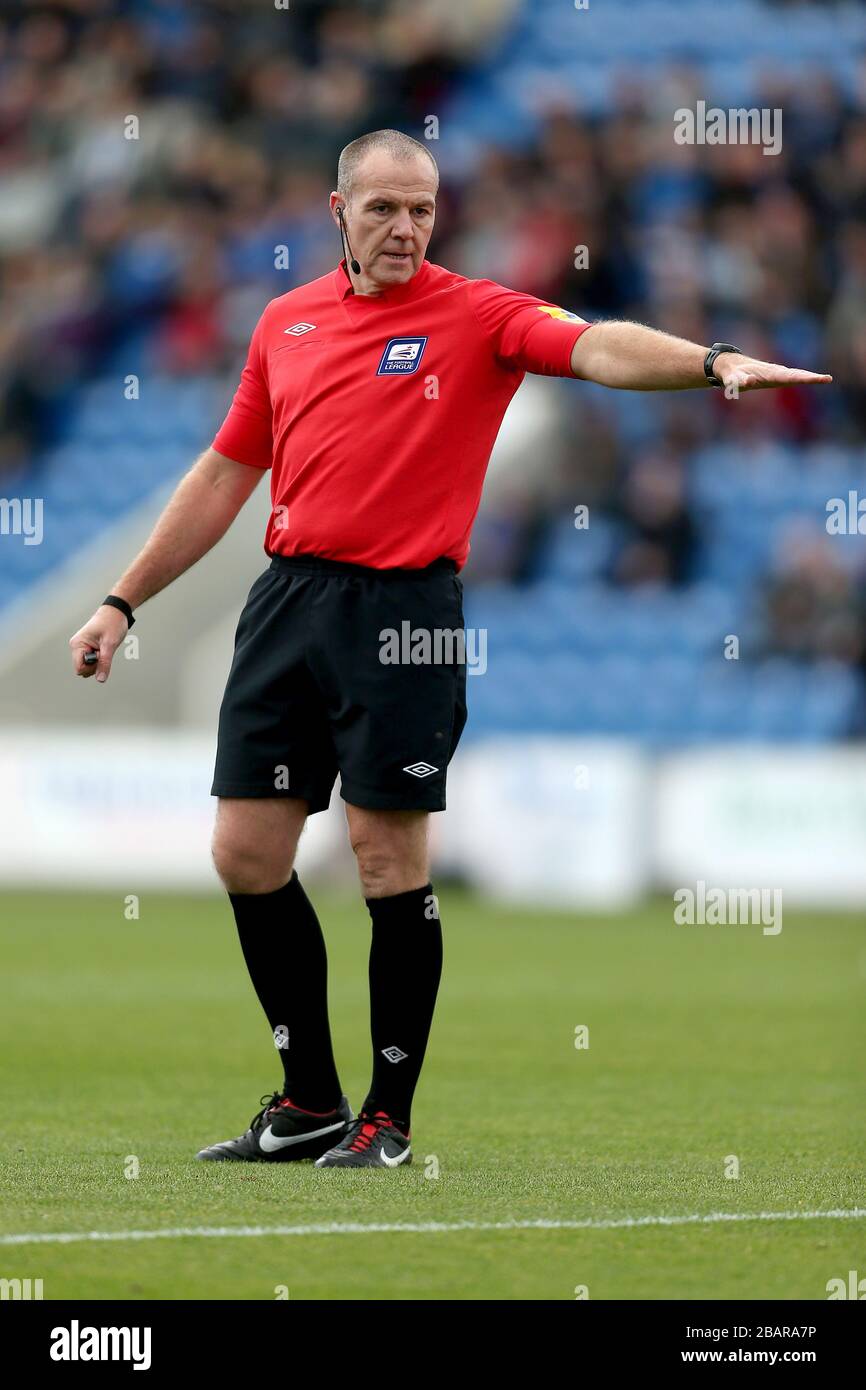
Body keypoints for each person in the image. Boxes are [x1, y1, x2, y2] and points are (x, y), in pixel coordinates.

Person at [68, 129, 831, 1170]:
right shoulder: (284, 324)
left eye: (422, 209)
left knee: (388, 861)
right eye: (382, 208)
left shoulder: (477, 315)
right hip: (287, 601)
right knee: (245, 855)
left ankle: (387, 1116)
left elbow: (595, 344)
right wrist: (122, 599)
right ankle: (307, 1100)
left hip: (402, 615)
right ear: (336, 212)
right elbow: (219, 474)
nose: (404, 228)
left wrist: (706, 363)